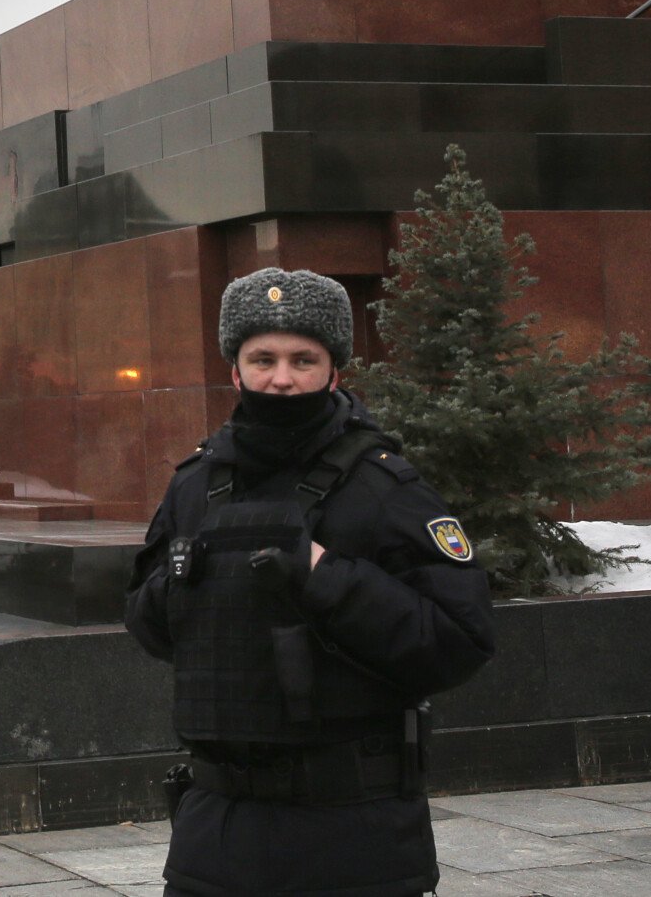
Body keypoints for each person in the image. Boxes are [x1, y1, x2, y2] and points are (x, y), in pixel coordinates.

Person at [126, 267, 497, 897]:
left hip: (354, 834)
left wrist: (326, 576)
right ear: (235, 370)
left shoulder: (383, 487)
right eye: (262, 358)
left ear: (334, 370)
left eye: (304, 359)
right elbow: (148, 623)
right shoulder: (195, 484)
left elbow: (459, 640)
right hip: (215, 837)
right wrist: (195, 580)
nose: (282, 378)